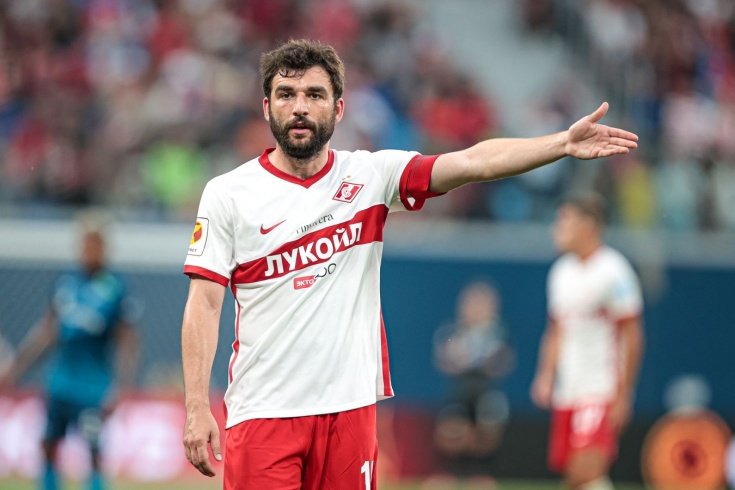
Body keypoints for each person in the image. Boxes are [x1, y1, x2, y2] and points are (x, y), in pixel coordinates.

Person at [180, 39, 638, 490]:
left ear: (338, 109)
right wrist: (198, 406)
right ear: (266, 107)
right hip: (263, 413)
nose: (300, 107)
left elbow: (473, 162)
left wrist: (561, 142)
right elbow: (204, 305)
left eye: (315, 94)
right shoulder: (229, 194)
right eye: (286, 94)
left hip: (349, 411)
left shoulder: (370, 176)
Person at [0, 226, 138, 490]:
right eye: (84, 246)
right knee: (48, 443)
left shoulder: (116, 288)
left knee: (94, 450)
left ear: (104, 249)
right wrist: (16, 369)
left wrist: (121, 386)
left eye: (93, 246)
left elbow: (128, 341)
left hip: (93, 385)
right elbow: (47, 332)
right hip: (60, 381)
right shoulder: (66, 283)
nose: (88, 252)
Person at [530, 193, 644, 490]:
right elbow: (556, 330)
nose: (557, 229)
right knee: (574, 477)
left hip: (600, 387)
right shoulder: (561, 272)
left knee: (585, 472)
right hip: (568, 389)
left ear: (588, 225)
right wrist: (546, 375)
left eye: (564, 221)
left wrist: (624, 394)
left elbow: (632, 335)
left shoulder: (614, 271)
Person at [431, 281, 514, 483]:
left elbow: (504, 362)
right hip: (460, 389)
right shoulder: (452, 331)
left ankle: (480, 474)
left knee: (487, 428)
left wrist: (482, 361)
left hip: (486, 389)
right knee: (452, 430)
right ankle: (449, 473)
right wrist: (460, 359)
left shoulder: (497, 333)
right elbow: (444, 359)